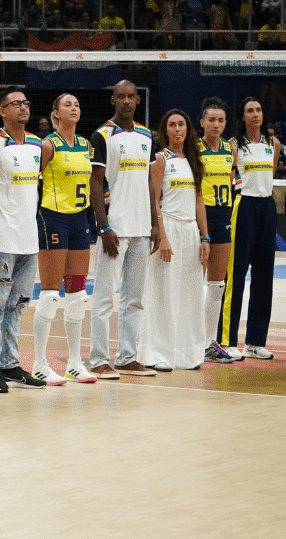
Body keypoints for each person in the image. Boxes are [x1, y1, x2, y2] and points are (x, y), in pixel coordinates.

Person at [0, 86, 47, 392]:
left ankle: (11, 364)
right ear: (2, 110)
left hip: (29, 239)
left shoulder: (38, 144)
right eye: (15, 103)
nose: (23, 107)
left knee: (18, 304)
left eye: (25, 103)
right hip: (1, 238)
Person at [89, 80, 157, 378]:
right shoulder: (102, 135)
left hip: (142, 229)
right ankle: (99, 359)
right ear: (113, 100)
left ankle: (127, 357)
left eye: (131, 96)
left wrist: (155, 223)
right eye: (121, 96)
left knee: (134, 298)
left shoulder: (146, 135)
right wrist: (104, 227)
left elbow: (149, 181)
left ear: (138, 99)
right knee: (105, 297)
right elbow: (95, 182)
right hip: (115, 229)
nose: (126, 101)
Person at [30, 94, 97, 385]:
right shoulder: (48, 145)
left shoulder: (85, 144)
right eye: (67, 104)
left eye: (77, 104)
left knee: (78, 294)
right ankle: (39, 364)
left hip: (80, 220)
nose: (74, 108)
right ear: (55, 113)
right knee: (49, 295)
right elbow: (32, 181)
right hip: (53, 218)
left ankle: (75, 363)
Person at [139, 109, 210, 371]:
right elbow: (154, 201)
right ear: (165, 131)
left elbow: (199, 200)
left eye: (181, 124)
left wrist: (205, 236)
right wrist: (163, 237)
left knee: (190, 293)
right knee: (162, 292)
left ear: (188, 129)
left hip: (191, 232)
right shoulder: (160, 160)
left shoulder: (193, 160)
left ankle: (186, 354)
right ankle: (155, 353)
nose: (177, 129)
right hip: (168, 227)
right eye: (172, 125)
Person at [218, 97, 280, 360]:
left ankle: (255, 342)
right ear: (242, 117)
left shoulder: (273, 144)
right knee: (235, 274)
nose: (256, 114)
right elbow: (229, 179)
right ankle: (227, 340)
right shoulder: (234, 145)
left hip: (267, 207)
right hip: (243, 206)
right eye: (250, 111)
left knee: (264, 277)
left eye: (259, 110)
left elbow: (270, 174)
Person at [197, 98, 238, 363]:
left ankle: (209, 343)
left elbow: (232, 180)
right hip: (201, 215)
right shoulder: (194, 148)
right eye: (211, 120)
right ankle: (189, 340)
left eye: (220, 120)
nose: (216, 124)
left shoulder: (230, 149)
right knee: (193, 281)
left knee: (217, 284)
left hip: (223, 214)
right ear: (202, 122)